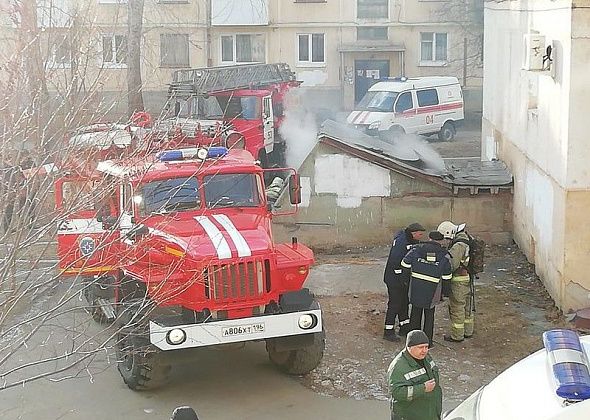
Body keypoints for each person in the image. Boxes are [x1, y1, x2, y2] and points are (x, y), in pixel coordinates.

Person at [400, 231, 452, 347]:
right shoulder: (444, 256)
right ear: (441, 241)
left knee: (415, 313)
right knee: (429, 316)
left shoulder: (416, 250)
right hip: (433, 290)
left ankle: (413, 341)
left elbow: (404, 264)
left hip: (416, 287)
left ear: (429, 238)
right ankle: (428, 341)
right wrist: (445, 293)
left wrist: (406, 280)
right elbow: (447, 277)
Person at [383, 222, 426, 341]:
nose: (421, 236)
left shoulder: (411, 240)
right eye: (420, 234)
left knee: (404, 302)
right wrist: (402, 277)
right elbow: (395, 261)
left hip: (402, 279)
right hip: (394, 279)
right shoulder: (402, 242)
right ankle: (388, 330)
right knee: (395, 303)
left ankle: (404, 326)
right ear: (413, 233)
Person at [387, 330, 442, 420]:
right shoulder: (398, 367)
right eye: (420, 347)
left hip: (430, 413)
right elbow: (397, 393)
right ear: (409, 347)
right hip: (410, 415)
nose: (424, 351)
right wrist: (423, 388)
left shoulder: (426, 357)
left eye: (426, 347)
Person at [437, 221, 474, 343]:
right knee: (467, 307)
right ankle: (468, 331)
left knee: (457, 307)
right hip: (467, 277)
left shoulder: (458, 245)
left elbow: (452, 264)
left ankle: (457, 335)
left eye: (446, 238)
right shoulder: (466, 238)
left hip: (458, 280)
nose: (446, 241)